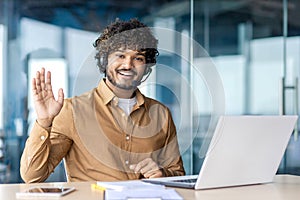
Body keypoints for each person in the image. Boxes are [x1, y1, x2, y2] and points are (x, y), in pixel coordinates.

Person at [20, 18, 185, 183]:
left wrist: (162, 173)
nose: (128, 65)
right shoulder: (72, 111)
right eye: (120, 55)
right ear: (105, 61)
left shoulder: (161, 114)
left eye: (138, 58)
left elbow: (178, 174)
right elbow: (32, 176)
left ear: (146, 67)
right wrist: (44, 122)